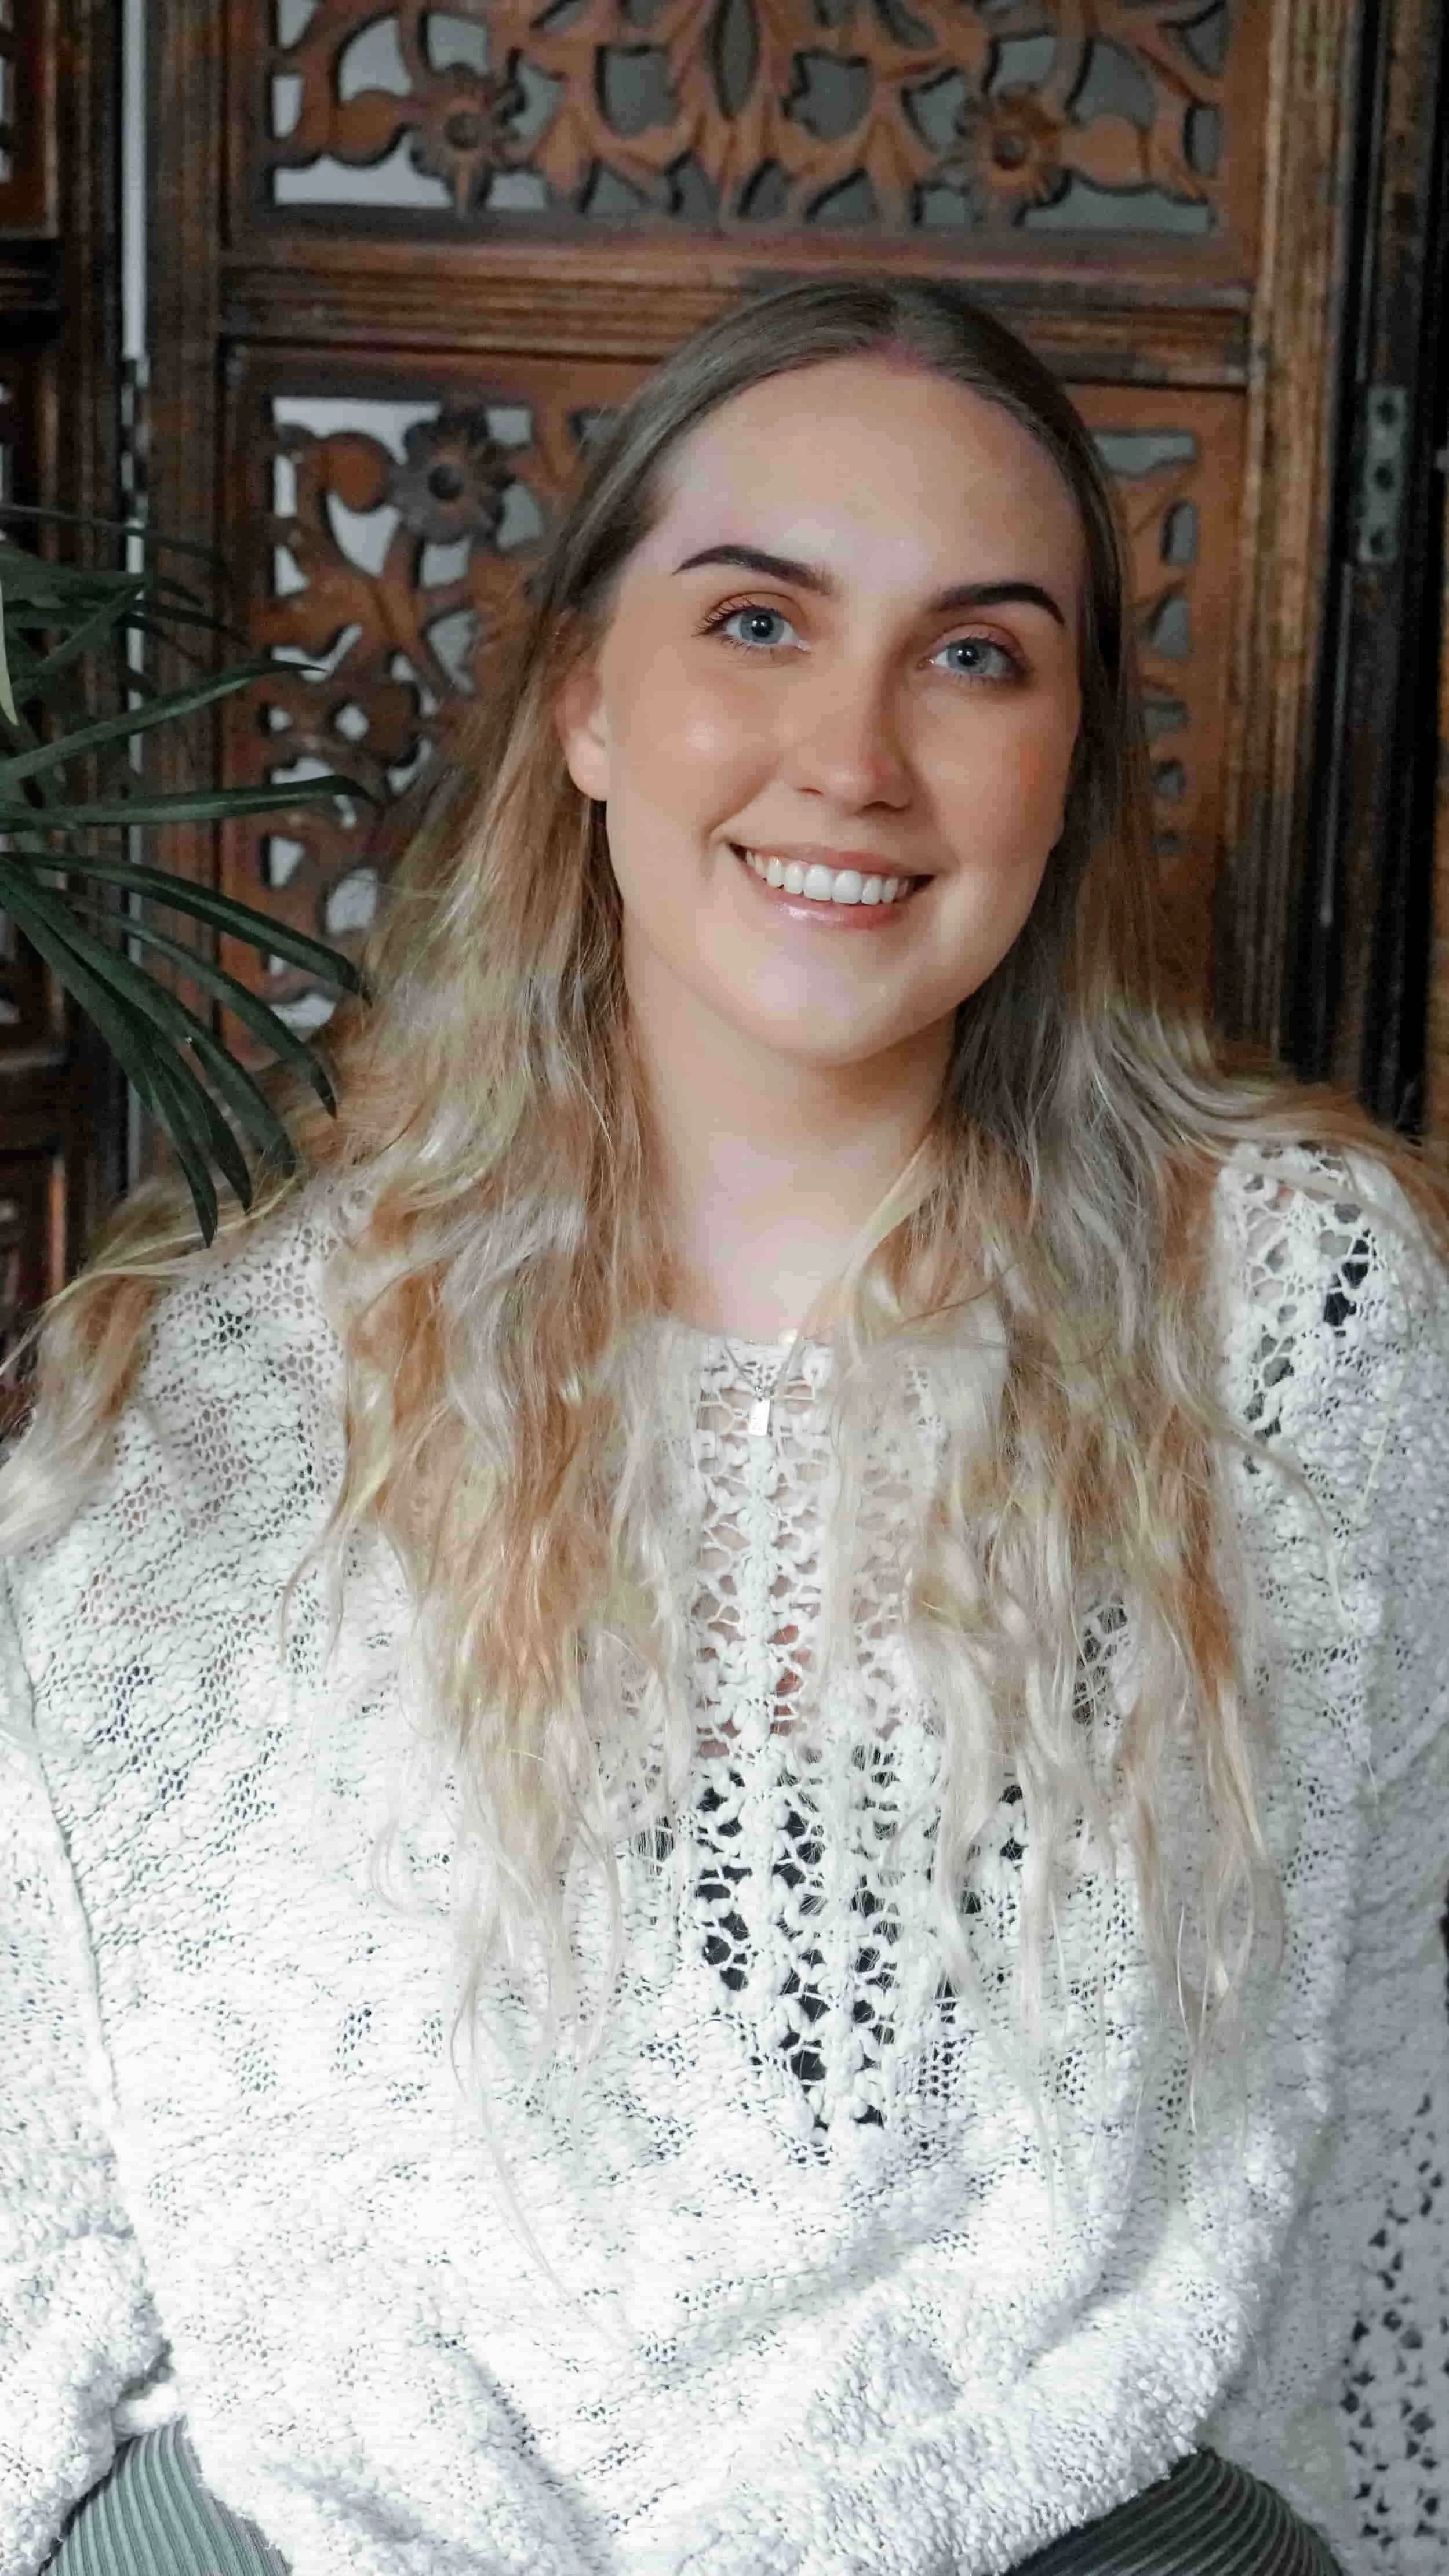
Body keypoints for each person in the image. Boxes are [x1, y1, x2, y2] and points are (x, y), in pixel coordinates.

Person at [2, 275, 1446, 2576]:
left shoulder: (1287, 1305)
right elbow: (95, 2113)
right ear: (584, 697)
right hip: (339, 2498)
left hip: (1041, 2495)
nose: (855, 758)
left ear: (1066, 760)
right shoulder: (241, 1364)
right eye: (757, 623)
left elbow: (1377, 2077)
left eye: (976, 655)